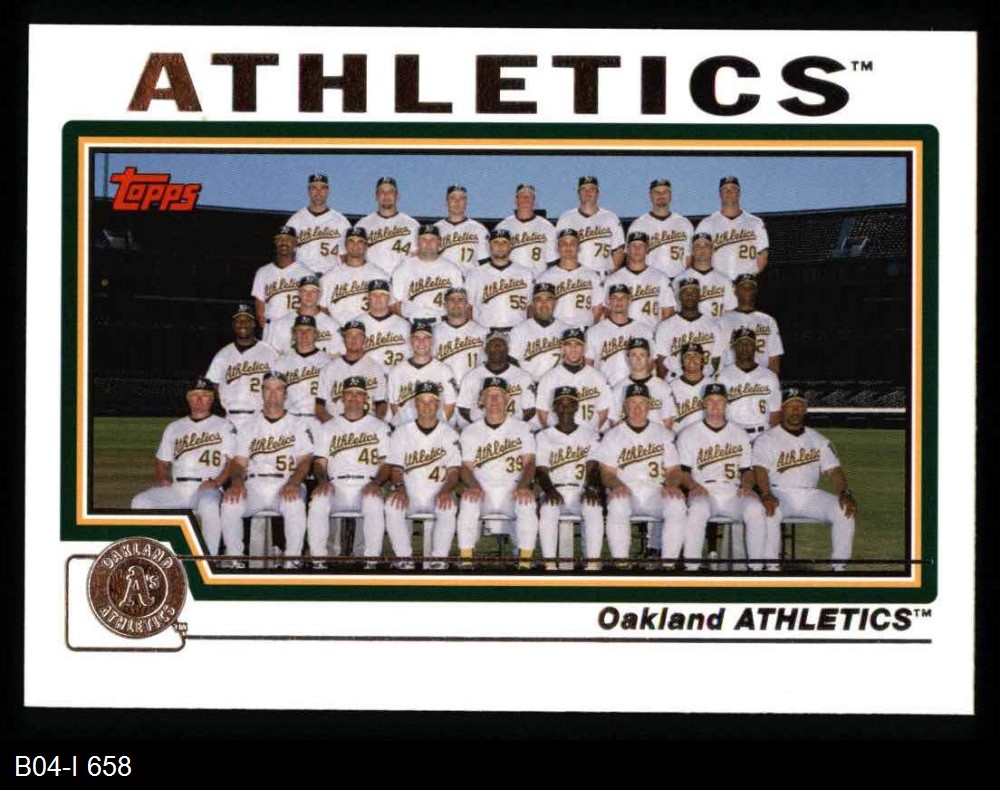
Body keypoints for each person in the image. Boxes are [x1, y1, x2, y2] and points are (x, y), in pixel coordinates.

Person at [130, 378, 236, 560]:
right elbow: (161, 460)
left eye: (205, 395)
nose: (199, 399)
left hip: (207, 487)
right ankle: (150, 555)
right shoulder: (174, 427)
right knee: (140, 502)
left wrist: (217, 482)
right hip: (178, 488)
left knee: (210, 506)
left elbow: (231, 461)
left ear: (212, 399)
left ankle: (208, 561)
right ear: (188, 398)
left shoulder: (224, 425)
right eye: (195, 395)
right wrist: (162, 477)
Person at [753, 388, 858, 572]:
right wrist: (766, 494)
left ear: (806, 409)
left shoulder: (818, 439)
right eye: (790, 406)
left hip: (810, 495)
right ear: (783, 409)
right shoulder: (767, 439)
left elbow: (833, 471)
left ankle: (839, 569)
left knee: (844, 510)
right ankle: (771, 568)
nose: (795, 410)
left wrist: (844, 493)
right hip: (780, 493)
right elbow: (760, 470)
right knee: (769, 511)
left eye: (800, 405)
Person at [220, 372, 314, 569]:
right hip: (255, 484)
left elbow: (305, 461)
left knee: (295, 504)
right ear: (261, 392)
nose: (273, 394)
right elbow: (239, 463)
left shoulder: (298, 424)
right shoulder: (248, 425)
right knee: (230, 503)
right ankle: (236, 560)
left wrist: (294, 483)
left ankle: (292, 561)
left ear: (285, 394)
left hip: (285, 481)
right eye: (268, 389)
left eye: (278, 389)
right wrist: (236, 483)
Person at [591, 382, 687, 565]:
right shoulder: (613, 435)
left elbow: (674, 469)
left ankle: (668, 564)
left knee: (677, 505)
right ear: (625, 406)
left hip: (655, 490)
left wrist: (672, 485)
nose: (637, 408)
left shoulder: (663, 433)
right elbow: (607, 472)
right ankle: (621, 563)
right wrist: (616, 485)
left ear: (649, 405)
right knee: (617, 504)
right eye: (632, 402)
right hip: (627, 489)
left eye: (642, 402)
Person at [676, 382, 767, 570]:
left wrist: (747, 486)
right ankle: (691, 568)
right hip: (703, 489)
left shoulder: (739, 434)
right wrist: (693, 486)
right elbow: (682, 472)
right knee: (697, 510)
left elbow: (747, 471)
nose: (715, 405)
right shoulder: (689, 434)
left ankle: (756, 570)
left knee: (755, 509)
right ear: (703, 404)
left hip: (733, 491)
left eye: (720, 400)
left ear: (727, 404)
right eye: (711, 400)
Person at [307, 376, 392, 568]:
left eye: (359, 394)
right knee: (317, 503)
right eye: (349, 393)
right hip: (336, 484)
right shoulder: (328, 427)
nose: (354, 397)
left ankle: (371, 561)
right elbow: (319, 463)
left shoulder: (380, 427)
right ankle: (318, 560)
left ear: (366, 398)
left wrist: (376, 483)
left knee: (374, 504)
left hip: (367, 483)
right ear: (342, 397)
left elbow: (386, 464)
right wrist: (323, 481)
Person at [456, 377, 538, 568]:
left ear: (508, 400)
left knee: (527, 502)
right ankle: (466, 561)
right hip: (483, 491)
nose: (494, 400)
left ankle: (525, 563)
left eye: (499, 396)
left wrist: (523, 486)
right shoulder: (470, 431)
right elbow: (466, 468)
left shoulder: (522, 428)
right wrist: (473, 487)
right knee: (468, 500)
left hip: (512, 490)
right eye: (489, 396)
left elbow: (530, 463)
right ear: (481, 400)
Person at [385, 381, 462, 569]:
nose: (427, 406)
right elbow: (396, 469)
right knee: (392, 505)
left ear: (438, 404)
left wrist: (446, 490)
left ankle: (438, 560)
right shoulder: (401, 433)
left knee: (448, 507)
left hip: (438, 492)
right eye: (422, 401)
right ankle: (404, 559)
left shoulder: (450, 434)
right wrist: (400, 488)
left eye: (431, 401)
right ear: (415, 404)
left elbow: (454, 472)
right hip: (409, 493)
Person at [534, 387, 604, 569]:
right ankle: (550, 565)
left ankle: (592, 565)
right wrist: (550, 490)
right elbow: (541, 470)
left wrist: (591, 488)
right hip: (555, 488)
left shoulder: (590, 435)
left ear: (577, 407)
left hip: (580, 489)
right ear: (554, 408)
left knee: (593, 508)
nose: (565, 408)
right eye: (561, 404)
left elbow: (593, 467)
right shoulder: (543, 436)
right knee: (548, 508)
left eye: (570, 404)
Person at [204, 303, 278, 430]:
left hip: (260, 416)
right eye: (239, 321)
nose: (243, 324)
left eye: (247, 320)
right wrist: (217, 409)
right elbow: (211, 385)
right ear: (233, 325)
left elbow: (280, 383)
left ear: (253, 324)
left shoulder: (269, 352)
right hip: (230, 418)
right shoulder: (223, 354)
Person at [535, 328, 613, 432]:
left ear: (584, 348)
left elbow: (603, 411)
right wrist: (554, 435)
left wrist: (591, 434)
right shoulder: (548, 378)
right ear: (562, 348)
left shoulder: (598, 377)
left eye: (578, 344)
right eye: (569, 345)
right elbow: (542, 412)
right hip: (558, 437)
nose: (573, 349)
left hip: (589, 435)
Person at [694, 175, 770, 280]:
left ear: (739, 193)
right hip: (717, 283)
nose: (729, 192)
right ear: (720, 194)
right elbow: (697, 256)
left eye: (733, 189)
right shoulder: (707, 224)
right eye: (725, 189)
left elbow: (763, 256)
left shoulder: (755, 222)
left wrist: (749, 279)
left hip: (746, 284)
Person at [386, 319, 458, 427]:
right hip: (406, 430)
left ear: (432, 341)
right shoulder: (396, 371)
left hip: (437, 429)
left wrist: (433, 429)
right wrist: (409, 430)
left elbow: (450, 406)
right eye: (417, 338)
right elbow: (394, 406)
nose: (421, 342)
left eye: (426, 337)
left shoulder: (444, 370)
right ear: (411, 341)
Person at [251, 225, 315, 346]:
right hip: (271, 327)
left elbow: (312, 304)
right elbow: (259, 302)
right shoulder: (263, 272)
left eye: (288, 239)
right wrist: (264, 323)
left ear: (295, 243)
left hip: (296, 328)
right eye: (280, 239)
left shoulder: (306, 273)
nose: (284, 242)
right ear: (275, 242)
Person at [717, 327, 782, 443]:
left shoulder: (769, 376)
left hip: (763, 434)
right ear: (734, 347)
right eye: (740, 343)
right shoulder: (723, 376)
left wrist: (775, 440)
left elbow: (775, 414)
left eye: (749, 343)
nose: (744, 347)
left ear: (755, 347)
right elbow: (718, 411)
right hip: (733, 434)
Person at [315, 319, 388, 422]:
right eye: (349, 336)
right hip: (335, 425)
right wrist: (333, 426)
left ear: (365, 340)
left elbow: (381, 404)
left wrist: (374, 424)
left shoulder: (376, 369)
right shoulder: (329, 369)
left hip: (366, 426)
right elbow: (319, 407)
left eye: (358, 336)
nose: (353, 339)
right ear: (344, 340)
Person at [456, 331, 535, 426]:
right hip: (481, 429)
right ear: (486, 349)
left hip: (513, 428)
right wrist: (481, 426)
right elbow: (463, 408)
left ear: (507, 349)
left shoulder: (523, 377)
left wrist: (513, 426)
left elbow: (530, 409)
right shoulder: (471, 377)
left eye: (501, 344)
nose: (497, 347)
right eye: (493, 344)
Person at [390, 224, 465, 322]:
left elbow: (459, 302)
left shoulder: (452, 269)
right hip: (411, 323)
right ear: (417, 242)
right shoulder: (404, 267)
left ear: (439, 242)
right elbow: (395, 303)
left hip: (441, 322)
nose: (428, 243)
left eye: (432, 239)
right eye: (424, 239)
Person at [585, 283, 654, 387]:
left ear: (629, 300)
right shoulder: (594, 331)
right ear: (608, 301)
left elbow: (651, 363)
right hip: (605, 388)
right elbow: (588, 365)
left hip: (635, 389)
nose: (619, 301)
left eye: (623, 297)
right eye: (614, 298)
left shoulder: (644, 330)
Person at [464, 228, 534, 331]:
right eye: (496, 242)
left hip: (517, 331)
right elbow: (468, 307)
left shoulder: (525, 273)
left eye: (504, 242)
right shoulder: (475, 273)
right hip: (485, 331)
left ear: (511, 246)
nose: (500, 246)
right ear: (489, 246)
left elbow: (531, 307)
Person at [318, 225, 391, 324]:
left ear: (366, 245)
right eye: (351, 241)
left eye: (360, 241)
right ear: (345, 245)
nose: (355, 245)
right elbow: (321, 309)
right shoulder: (329, 277)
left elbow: (390, 308)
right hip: (340, 330)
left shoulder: (380, 276)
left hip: (370, 330)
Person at [653, 277, 724, 379]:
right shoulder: (665, 326)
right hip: (674, 380)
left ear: (700, 296)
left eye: (694, 292)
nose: (689, 296)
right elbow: (661, 363)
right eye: (685, 292)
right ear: (679, 296)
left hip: (704, 380)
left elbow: (716, 360)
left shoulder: (713, 326)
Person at [604, 230, 677, 328]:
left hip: (652, 333)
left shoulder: (661, 278)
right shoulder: (613, 279)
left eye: (641, 245)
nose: (637, 249)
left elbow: (668, 313)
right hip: (623, 334)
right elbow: (606, 313)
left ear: (647, 249)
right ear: (627, 249)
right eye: (633, 245)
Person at [555, 175, 625, 276]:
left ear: (598, 193)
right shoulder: (566, 218)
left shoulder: (610, 218)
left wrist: (609, 273)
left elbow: (619, 250)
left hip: (602, 275)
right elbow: (557, 250)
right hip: (575, 277)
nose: (587, 192)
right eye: (583, 189)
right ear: (578, 194)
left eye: (592, 189)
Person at [272, 315, 333, 430]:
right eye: (300, 330)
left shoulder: (328, 362)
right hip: (290, 421)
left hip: (318, 421)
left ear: (316, 334)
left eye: (309, 330)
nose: (304, 334)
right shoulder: (281, 363)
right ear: (293, 334)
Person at [626, 178, 694, 281]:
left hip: (679, 280)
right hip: (649, 281)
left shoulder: (684, 223)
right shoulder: (638, 225)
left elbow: (690, 258)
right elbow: (630, 258)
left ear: (670, 195)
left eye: (665, 192)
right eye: (656, 192)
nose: (661, 195)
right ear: (650, 196)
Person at [284, 172, 352, 275]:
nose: (318, 192)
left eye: (322, 188)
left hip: (331, 276)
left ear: (328, 191)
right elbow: (287, 255)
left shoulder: (341, 222)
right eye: (314, 188)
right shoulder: (295, 221)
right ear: (308, 191)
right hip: (302, 277)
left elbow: (346, 256)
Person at [535, 229, 604, 328]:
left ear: (578, 248)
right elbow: (538, 310)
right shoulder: (544, 278)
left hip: (583, 330)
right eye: (564, 243)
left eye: (572, 243)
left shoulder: (592, 276)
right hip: (555, 331)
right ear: (557, 248)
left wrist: (588, 327)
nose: (568, 247)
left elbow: (598, 307)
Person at [719, 273, 784, 375]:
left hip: (760, 376)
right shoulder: (723, 320)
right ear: (735, 291)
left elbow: (774, 358)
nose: (747, 290)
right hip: (731, 375)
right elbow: (717, 354)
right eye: (743, 287)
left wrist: (771, 380)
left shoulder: (768, 320)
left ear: (756, 291)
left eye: (751, 287)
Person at [356, 176, 420, 277]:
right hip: (371, 281)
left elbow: (419, 258)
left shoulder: (412, 225)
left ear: (397, 196)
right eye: (382, 192)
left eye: (390, 192)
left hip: (402, 281)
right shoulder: (363, 225)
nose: (386, 195)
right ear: (376, 196)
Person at [508, 282, 570, 383]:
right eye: (538, 299)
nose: (544, 304)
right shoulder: (519, 330)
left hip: (559, 385)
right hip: (528, 385)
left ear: (555, 302)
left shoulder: (566, 330)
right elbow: (512, 362)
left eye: (549, 299)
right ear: (532, 303)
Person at [268, 274, 343, 357]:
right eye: (304, 291)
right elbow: (274, 356)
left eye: (313, 291)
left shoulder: (333, 325)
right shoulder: (281, 324)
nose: (309, 295)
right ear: (299, 293)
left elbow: (337, 357)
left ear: (320, 294)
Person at [610, 338, 675, 428]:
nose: (638, 359)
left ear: (649, 358)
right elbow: (615, 424)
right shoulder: (618, 389)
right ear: (628, 358)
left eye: (642, 355)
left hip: (656, 436)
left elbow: (668, 423)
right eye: (634, 355)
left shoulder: (663, 387)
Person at [495, 182, 558, 276]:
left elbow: (552, 261)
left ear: (534, 201)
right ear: (515, 200)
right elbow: (496, 259)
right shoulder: (502, 227)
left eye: (529, 196)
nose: (526, 199)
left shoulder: (547, 227)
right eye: (522, 196)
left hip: (538, 279)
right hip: (511, 281)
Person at [433, 286, 489, 384]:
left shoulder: (483, 332)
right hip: (444, 387)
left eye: (460, 300)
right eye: (451, 300)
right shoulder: (434, 332)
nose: (456, 303)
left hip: (474, 386)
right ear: (445, 305)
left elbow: (486, 365)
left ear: (467, 304)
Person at [434, 184, 490, 273]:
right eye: (453, 198)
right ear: (446, 202)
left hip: (470, 278)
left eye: (461, 198)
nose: (457, 202)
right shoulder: (435, 229)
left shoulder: (479, 229)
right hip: (442, 279)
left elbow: (485, 262)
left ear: (466, 202)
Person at [359, 279, 411, 371]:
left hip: (399, 375)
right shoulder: (357, 325)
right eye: (374, 294)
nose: (378, 298)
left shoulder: (404, 325)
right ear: (368, 298)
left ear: (389, 298)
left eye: (382, 294)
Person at [684, 232, 737, 319]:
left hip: (719, 326)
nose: (702, 249)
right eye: (698, 246)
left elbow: (731, 311)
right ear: (692, 251)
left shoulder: (725, 280)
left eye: (706, 245)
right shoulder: (680, 279)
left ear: (712, 250)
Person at [666, 342, 710, 434]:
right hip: (679, 437)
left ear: (702, 360)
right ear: (682, 361)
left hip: (707, 437)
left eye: (696, 355)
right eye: (687, 356)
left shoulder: (712, 385)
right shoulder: (671, 387)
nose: (692, 359)